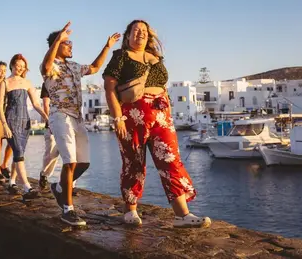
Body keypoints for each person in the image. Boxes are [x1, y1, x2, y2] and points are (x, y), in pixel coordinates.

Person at [103, 20, 211, 228]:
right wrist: (117, 118)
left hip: (161, 114)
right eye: (135, 31)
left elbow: (161, 86)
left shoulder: (156, 58)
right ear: (128, 36)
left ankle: (182, 215)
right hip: (132, 115)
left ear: (148, 36)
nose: (140, 34)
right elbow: (109, 88)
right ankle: (130, 211)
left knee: (170, 160)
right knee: (133, 162)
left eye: (143, 31)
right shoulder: (121, 57)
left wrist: (167, 111)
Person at [40, 21, 120, 226]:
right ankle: (68, 210)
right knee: (70, 162)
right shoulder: (50, 67)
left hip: (77, 118)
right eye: (67, 43)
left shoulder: (74, 66)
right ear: (57, 46)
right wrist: (59, 38)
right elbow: (46, 65)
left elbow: (94, 67)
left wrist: (107, 46)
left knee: (83, 163)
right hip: (60, 116)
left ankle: (59, 188)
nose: (71, 45)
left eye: (70, 42)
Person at [0, 53, 48, 200]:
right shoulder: (5, 83)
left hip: (25, 121)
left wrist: (46, 116)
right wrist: (4, 125)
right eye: (17, 65)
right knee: (18, 152)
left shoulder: (28, 83)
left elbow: (36, 104)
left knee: (19, 154)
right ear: (12, 65)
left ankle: (12, 182)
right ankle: (27, 187)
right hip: (11, 120)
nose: (19, 68)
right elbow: (0, 107)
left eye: (22, 67)